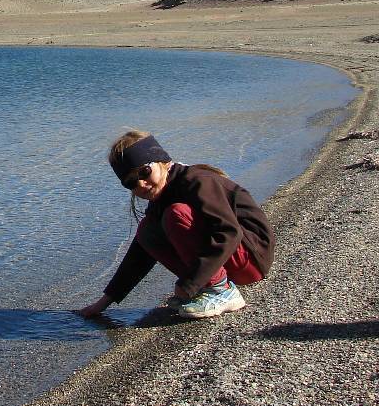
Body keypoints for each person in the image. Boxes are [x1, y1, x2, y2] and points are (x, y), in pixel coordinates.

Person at [77, 130, 275, 319]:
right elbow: (140, 253)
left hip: (252, 258)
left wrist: (190, 283)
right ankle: (209, 286)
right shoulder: (161, 195)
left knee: (176, 214)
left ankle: (221, 291)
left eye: (145, 172)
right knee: (146, 231)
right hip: (229, 262)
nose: (141, 184)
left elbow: (229, 232)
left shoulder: (197, 181)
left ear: (163, 161)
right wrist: (105, 302)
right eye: (131, 183)